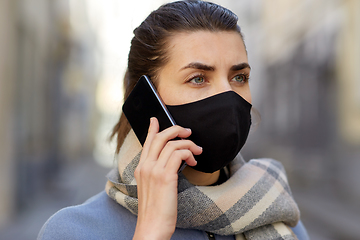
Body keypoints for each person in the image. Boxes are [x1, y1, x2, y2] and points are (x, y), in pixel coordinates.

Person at [38, 1, 309, 239]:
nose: (228, 97)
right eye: (198, 78)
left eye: (239, 77)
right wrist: (150, 233)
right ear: (146, 101)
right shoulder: (73, 231)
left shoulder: (277, 214)